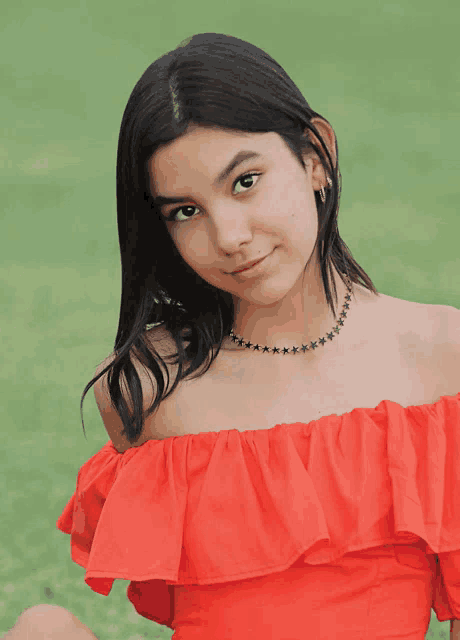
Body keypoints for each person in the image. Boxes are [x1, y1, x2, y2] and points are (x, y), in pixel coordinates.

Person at [10, 33, 457, 640]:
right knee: (42, 628)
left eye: (245, 181)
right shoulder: (146, 386)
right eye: (185, 211)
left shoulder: (438, 354)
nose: (229, 236)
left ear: (316, 157)